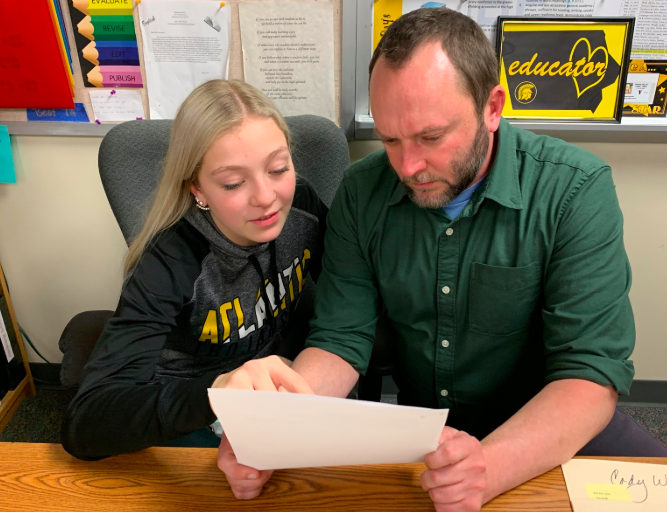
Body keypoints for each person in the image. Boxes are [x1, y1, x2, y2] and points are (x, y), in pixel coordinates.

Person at [217, 7, 667, 510]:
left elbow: (589, 375)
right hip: (424, 431)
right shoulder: (363, 192)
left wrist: (490, 466)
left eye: (431, 138)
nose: (408, 166)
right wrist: (279, 430)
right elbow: (341, 341)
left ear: (492, 108)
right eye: (390, 139)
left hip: (545, 423)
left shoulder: (574, 190)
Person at [61, 79, 324, 460]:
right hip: (193, 407)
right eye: (233, 183)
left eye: (278, 168)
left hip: (271, 390)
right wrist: (217, 392)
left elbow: (350, 283)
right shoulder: (170, 259)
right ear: (197, 190)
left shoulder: (300, 203)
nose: (267, 198)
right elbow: (85, 423)